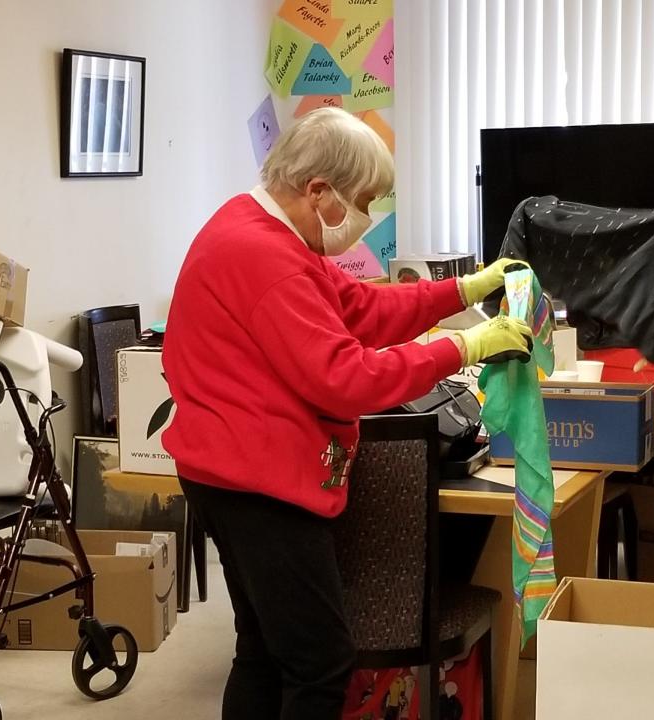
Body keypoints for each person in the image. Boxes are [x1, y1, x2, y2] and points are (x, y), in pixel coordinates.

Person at [160, 107, 531, 720]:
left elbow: (357, 306)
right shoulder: (264, 256)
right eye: (362, 201)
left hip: (231, 470)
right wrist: (462, 347)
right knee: (319, 661)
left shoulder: (260, 228)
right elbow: (346, 379)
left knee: (264, 649)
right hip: (257, 484)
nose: (363, 217)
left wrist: (465, 290)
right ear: (318, 191)